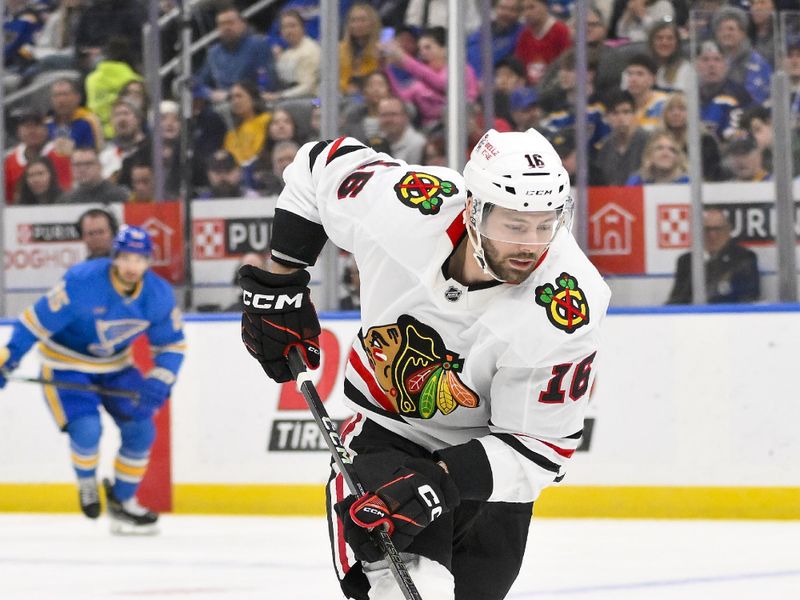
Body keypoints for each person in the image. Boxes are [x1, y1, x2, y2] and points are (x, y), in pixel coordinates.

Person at [238, 128, 610, 599]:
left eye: (545, 224)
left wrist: (438, 482)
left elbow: (541, 448)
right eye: (513, 226)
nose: (530, 245)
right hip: (385, 441)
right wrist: (283, 278)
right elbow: (318, 165)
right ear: (474, 209)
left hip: (484, 473)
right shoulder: (409, 207)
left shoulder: (566, 305)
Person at [0, 225, 186, 534]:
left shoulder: (158, 295)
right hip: (65, 364)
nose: (131, 266)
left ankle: (122, 502)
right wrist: (9, 357)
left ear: (148, 262)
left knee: (141, 428)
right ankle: (87, 482)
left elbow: (171, 345)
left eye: (139, 259)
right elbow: (35, 322)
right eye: (125, 257)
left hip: (116, 367)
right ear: (114, 256)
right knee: (87, 429)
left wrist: (160, 379)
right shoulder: (82, 281)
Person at [382, 26, 479, 130]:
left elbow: (443, 85)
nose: (422, 52)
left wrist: (404, 59)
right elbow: (401, 100)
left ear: (444, 49)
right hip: (430, 132)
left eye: (428, 47)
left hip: (463, 126)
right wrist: (385, 69)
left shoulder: (461, 70)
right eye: (420, 49)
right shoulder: (420, 81)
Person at [667, 208, 760, 304]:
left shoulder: (744, 258)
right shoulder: (686, 261)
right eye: (707, 229)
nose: (712, 235)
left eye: (717, 229)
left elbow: (748, 298)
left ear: (728, 230)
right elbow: (677, 300)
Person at [195, 3, 276, 103]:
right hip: (221, 103)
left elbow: (266, 82)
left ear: (243, 24)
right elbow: (200, 83)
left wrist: (232, 95)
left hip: (251, 102)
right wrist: (210, 93)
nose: (226, 27)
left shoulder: (258, 45)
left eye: (230, 23)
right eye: (222, 24)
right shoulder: (214, 52)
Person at [5, 107, 72, 203]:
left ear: (46, 129)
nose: (31, 131)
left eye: (37, 125)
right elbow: (7, 199)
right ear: (18, 131)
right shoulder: (9, 160)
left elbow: (68, 190)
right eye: (26, 126)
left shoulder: (61, 153)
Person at [591, 90, 650, 185]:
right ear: (606, 117)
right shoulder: (605, 147)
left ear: (635, 114)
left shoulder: (649, 141)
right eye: (615, 113)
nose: (621, 118)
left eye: (626, 112)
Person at [263, 9, 321, 103]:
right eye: (284, 27)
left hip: (315, 101)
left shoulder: (310, 50)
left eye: (292, 26)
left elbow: (308, 87)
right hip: (290, 99)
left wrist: (279, 96)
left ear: (303, 28)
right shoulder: (285, 53)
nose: (288, 31)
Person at [513, 0, 571, 86]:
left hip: (553, 88)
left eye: (531, 7)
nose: (527, 13)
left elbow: (567, 65)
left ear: (545, 7)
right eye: (523, 9)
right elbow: (518, 65)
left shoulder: (561, 31)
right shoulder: (524, 34)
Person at [223, 80, 271, 166]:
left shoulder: (267, 121)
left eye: (239, 96)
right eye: (231, 98)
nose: (235, 101)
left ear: (253, 98)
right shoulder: (231, 133)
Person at [62, 147, 130, 204]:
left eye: (88, 164)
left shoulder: (119, 195)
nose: (82, 169)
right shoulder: (66, 200)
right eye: (77, 165)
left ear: (100, 166)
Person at [625, 130, 689, 185]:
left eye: (671, 150)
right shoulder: (636, 182)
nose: (665, 154)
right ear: (649, 154)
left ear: (677, 157)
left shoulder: (688, 183)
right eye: (660, 148)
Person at [377, 96, 426, 164]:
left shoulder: (418, 144)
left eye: (393, 114)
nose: (388, 120)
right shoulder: (376, 141)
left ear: (405, 117)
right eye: (384, 115)